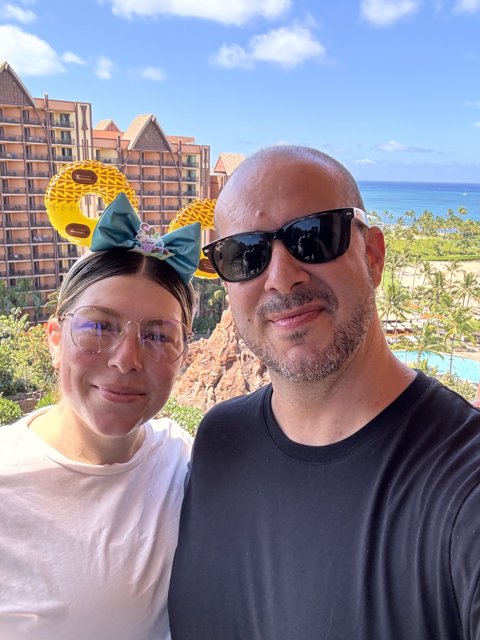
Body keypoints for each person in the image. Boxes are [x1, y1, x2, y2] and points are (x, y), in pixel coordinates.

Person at [168, 145, 480, 640]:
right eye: (244, 254)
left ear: (372, 256)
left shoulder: (462, 481)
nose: (281, 275)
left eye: (313, 237)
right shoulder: (219, 440)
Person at [0, 193, 201, 640]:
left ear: (182, 356)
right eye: (98, 326)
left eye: (157, 335)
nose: (126, 359)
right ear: (55, 339)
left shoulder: (182, 458)